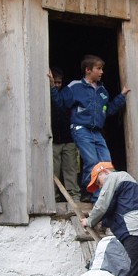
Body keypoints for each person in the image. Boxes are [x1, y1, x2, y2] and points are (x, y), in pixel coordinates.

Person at [48, 55, 131, 202]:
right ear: (88, 70)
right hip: (80, 129)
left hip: (97, 132)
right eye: (98, 69)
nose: (101, 72)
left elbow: (109, 110)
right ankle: (93, 195)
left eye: (102, 69)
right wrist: (53, 87)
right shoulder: (75, 87)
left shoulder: (102, 91)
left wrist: (121, 96)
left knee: (106, 163)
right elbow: (60, 104)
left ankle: (95, 192)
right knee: (92, 161)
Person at [50, 67, 80, 202]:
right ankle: (53, 197)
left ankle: (73, 197)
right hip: (54, 139)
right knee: (53, 170)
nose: (56, 85)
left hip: (68, 138)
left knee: (71, 169)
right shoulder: (45, 97)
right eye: (54, 82)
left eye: (59, 83)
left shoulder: (67, 95)